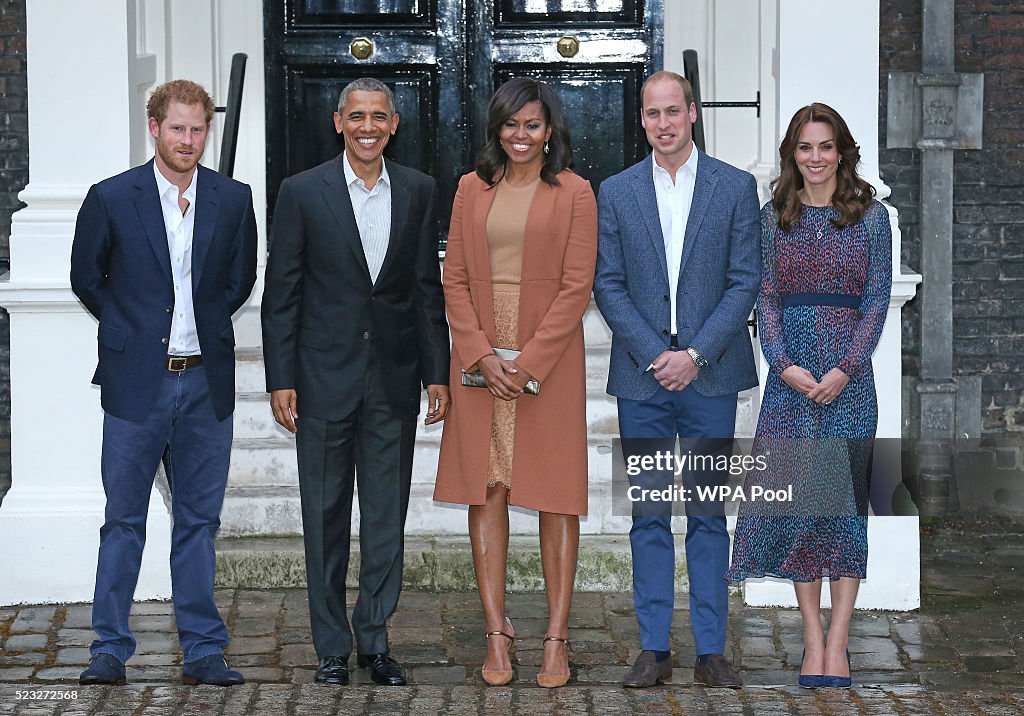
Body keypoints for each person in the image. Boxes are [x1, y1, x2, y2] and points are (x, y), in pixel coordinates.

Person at [261, 77, 450, 687]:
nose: (368, 126)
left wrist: (437, 373)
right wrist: (281, 376)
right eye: (357, 116)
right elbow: (282, 294)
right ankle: (331, 646)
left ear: (394, 124)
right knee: (324, 517)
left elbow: (426, 289)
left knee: (386, 518)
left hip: (392, 380)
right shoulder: (301, 192)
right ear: (338, 121)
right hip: (321, 381)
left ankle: (375, 638)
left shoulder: (420, 191)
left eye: (379, 116)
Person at [70, 79, 258, 687]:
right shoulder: (112, 197)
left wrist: (198, 325)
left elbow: (239, 280)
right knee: (123, 519)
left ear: (208, 130)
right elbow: (86, 276)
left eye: (198, 129)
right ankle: (108, 649)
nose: (188, 140)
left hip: (206, 383)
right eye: (177, 128)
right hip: (136, 384)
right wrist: (130, 327)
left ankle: (204, 650)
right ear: (154, 128)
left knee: (199, 522)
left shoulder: (233, 199)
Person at [593, 71, 760, 689]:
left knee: (710, 514)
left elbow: (745, 279)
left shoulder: (735, 188)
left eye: (673, 111)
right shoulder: (615, 191)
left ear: (692, 112)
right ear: (642, 120)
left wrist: (695, 353)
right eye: (652, 114)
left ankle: (712, 648)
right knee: (650, 514)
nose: (663, 123)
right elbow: (606, 282)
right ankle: (653, 647)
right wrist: (652, 353)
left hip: (710, 377)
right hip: (642, 380)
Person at [433, 77, 597, 688]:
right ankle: (497, 631)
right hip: (479, 354)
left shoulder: (577, 192)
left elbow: (577, 286)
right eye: (509, 125)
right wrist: (477, 352)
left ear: (549, 130)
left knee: (555, 492)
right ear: (495, 130)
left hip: (547, 357)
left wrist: (528, 361)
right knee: (488, 487)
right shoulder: (470, 189)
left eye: (531, 125)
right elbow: (453, 278)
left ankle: (556, 636)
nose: (519, 136)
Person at [725, 103, 892, 689]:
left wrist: (847, 368)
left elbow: (877, 301)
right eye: (804, 147)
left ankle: (840, 642)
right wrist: (783, 362)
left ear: (842, 151)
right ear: (791, 155)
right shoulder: (776, 217)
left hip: (850, 385)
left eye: (825, 146)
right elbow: (765, 296)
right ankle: (812, 638)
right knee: (799, 512)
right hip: (791, 383)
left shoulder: (871, 217)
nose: (815, 158)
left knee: (844, 513)